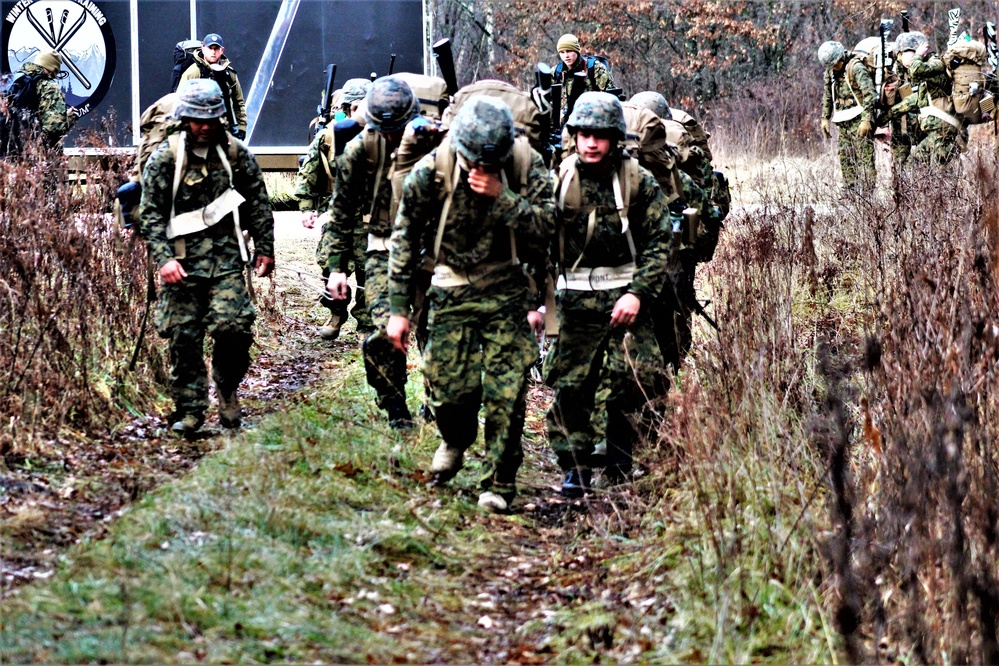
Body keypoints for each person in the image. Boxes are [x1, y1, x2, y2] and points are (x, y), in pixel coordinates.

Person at [385, 96, 555, 513]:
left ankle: (499, 482)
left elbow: (549, 230)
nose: (481, 167)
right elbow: (404, 239)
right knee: (448, 389)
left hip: (506, 287)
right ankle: (455, 438)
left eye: (490, 161)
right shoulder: (433, 170)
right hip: (450, 286)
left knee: (508, 393)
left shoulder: (523, 162)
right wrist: (398, 310)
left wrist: (503, 197)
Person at [545, 91, 674, 497]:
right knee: (572, 386)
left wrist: (637, 294)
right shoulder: (561, 180)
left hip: (627, 297)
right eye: (583, 134)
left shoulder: (639, 181)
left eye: (600, 135)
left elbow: (658, 245)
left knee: (639, 377)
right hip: (577, 300)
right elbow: (540, 241)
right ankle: (576, 467)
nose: (591, 143)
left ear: (616, 138)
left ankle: (620, 459)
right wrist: (540, 303)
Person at [138, 79, 275, 437]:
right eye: (197, 119)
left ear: (220, 118)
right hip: (181, 264)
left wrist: (265, 248)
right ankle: (191, 410)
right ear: (185, 119)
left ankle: (227, 387)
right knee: (184, 338)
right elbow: (150, 214)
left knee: (234, 328)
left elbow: (259, 203)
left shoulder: (234, 154)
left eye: (210, 119)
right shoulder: (166, 156)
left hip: (227, 260)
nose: (203, 126)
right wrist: (163, 259)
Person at [324, 76, 420, 428]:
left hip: (431, 251)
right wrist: (337, 268)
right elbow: (341, 209)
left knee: (439, 332)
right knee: (382, 332)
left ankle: (441, 402)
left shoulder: (433, 144)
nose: (393, 135)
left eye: (400, 127)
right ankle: (395, 405)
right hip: (383, 248)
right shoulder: (360, 149)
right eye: (385, 128)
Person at [296, 78, 374, 339]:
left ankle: (366, 324)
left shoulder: (381, 136)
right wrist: (307, 207)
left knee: (369, 271)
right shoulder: (327, 135)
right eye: (355, 108)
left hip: (369, 215)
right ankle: (336, 313)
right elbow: (309, 172)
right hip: (337, 212)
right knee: (330, 266)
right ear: (346, 108)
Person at [886, 32, 963, 166]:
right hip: (936, 131)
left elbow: (915, 70)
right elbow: (913, 99)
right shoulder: (926, 74)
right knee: (917, 167)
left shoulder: (935, 64)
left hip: (943, 130)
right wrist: (884, 118)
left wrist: (917, 55)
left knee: (938, 173)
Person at [818, 41, 877, 191]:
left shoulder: (856, 68)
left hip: (859, 118)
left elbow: (869, 94)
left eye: (835, 64)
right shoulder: (830, 72)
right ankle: (850, 193)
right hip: (843, 120)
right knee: (846, 158)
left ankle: (868, 196)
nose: (833, 68)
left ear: (841, 58)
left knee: (865, 158)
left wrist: (866, 120)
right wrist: (825, 117)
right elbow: (827, 95)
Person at [180, 33, 247, 139]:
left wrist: (241, 127)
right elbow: (179, 103)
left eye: (216, 48)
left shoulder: (229, 74)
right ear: (203, 49)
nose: (213, 52)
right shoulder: (193, 73)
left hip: (225, 130)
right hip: (200, 131)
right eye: (210, 48)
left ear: (222, 50)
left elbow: (238, 103)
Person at [9, 50, 77, 151]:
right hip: (36, 155)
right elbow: (54, 127)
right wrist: (69, 118)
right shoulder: (49, 86)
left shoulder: (13, 81)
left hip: (9, 151)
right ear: (52, 69)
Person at [555, 34, 616, 125]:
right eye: (562, 52)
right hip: (565, 123)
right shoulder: (557, 72)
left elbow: (611, 98)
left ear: (576, 50)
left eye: (569, 51)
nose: (566, 56)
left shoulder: (595, 68)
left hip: (593, 120)